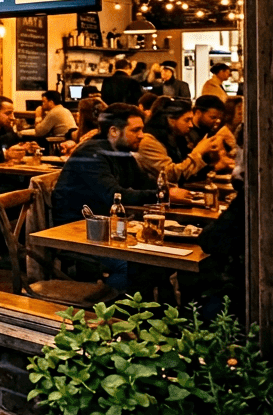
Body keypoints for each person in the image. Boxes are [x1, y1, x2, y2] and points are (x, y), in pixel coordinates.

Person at [51, 103, 191, 290]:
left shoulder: (121, 152)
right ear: (114, 131)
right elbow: (116, 196)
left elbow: (144, 184)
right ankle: (108, 312)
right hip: (79, 230)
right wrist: (163, 195)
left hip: (110, 228)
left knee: (162, 263)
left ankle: (153, 314)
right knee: (133, 268)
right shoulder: (92, 153)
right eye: (136, 130)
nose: (142, 135)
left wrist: (167, 190)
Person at [135, 97, 232, 183]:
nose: (190, 125)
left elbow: (189, 172)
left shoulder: (177, 138)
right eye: (187, 120)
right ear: (171, 120)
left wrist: (215, 164)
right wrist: (198, 152)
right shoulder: (149, 141)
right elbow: (171, 174)